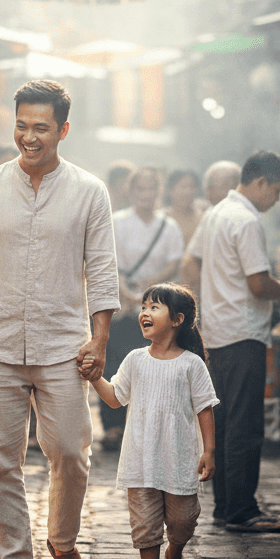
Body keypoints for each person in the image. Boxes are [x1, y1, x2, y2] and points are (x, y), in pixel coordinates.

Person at [0, 80, 120, 559]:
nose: (29, 137)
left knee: (70, 451)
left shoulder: (89, 191)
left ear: (63, 130)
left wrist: (99, 340)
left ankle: (62, 542)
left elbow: (102, 270)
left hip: (64, 345)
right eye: (21, 126)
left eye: (40, 128)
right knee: (0, 461)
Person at [189, 150, 280, 533]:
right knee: (244, 425)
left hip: (218, 332)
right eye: (276, 190)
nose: (276, 199)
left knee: (226, 424)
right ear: (260, 182)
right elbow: (259, 284)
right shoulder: (246, 221)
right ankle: (242, 510)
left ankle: (226, 507)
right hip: (243, 334)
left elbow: (197, 264)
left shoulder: (216, 214)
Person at [92, 284, 217, 559]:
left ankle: (174, 555)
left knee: (183, 521)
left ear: (177, 319)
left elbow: (204, 407)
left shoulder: (191, 364)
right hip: (141, 460)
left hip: (180, 459)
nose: (144, 312)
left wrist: (209, 450)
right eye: (144, 306)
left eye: (154, 307)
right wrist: (94, 377)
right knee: (145, 526)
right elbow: (115, 398)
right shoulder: (135, 360)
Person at [104, 168, 185, 450]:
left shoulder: (168, 226)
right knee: (116, 363)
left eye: (151, 189)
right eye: (140, 189)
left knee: (154, 365)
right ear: (131, 191)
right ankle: (113, 426)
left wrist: (150, 289)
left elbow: (173, 263)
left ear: (158, 192)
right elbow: (108, 260)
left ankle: (147, 427)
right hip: (123, 304)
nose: (145, 194)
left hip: (157, 304)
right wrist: (126, 293)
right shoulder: (118, 222)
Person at [180, 161, 241, 292]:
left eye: (213, 187)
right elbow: (190, 264)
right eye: (207, 186)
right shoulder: (211, 214)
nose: (208, 192)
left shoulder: (240, 216)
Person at [165, 169, 205, 247]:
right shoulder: (161, 218)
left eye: (191, 187)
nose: (187, 192)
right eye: (183, 187)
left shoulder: (202, 218)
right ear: (170, 190)